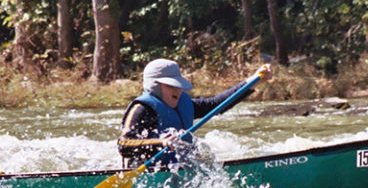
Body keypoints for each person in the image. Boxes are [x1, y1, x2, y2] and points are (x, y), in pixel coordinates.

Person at [117, 58, 273, 168]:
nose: (177, 91)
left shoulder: (185, 104)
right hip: (149, 173)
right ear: (154, 87)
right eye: (170, 86)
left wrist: (254, 81)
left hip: (177, 170)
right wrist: (161, 143)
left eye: (178, 86)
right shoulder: (142, 109)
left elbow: (218, 104)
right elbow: (124, 144)